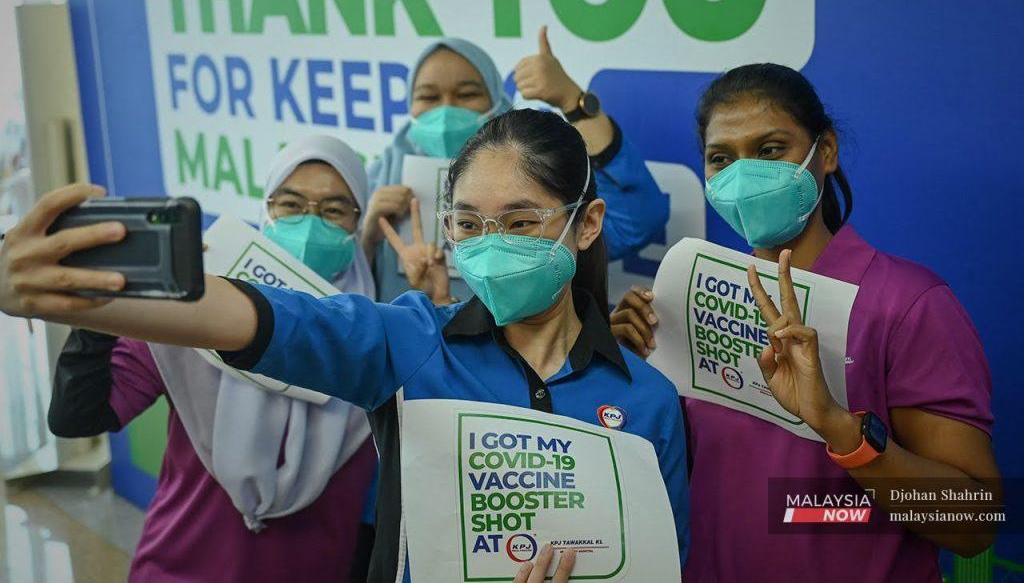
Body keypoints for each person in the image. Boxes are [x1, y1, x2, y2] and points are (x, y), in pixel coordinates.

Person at [0, 110, 689, 582]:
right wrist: (82, 288)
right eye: (470, 225)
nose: (491, 245)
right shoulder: (413, 340)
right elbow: (257, 318)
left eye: (519, 221)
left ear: (588, 223)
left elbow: (664, 563)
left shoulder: (648, 401)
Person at [611, 64, 1000, 582]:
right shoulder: (686, 296)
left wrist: (842, 429)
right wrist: (625, 376)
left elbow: (974, 523)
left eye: (771, 149)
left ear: (827, 151)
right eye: (721, 158)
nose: (743, 175)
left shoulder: (906, 302)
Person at [45, 135, 383, 582]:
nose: (309, 225)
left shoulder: (378, 337)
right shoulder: (198, 313)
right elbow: (78, 419)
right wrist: (100, 308)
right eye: (291, 204)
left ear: (356, 225)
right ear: (267, 210)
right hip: (179, 569)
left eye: (334, 211)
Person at [362, 29, 670, 302]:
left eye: (520, 222)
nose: (446, 111)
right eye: (467, 224)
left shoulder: (536, 174)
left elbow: (637, 221)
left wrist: (571, 100)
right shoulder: (381, 177)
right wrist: (368, 238)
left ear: (497, 99)